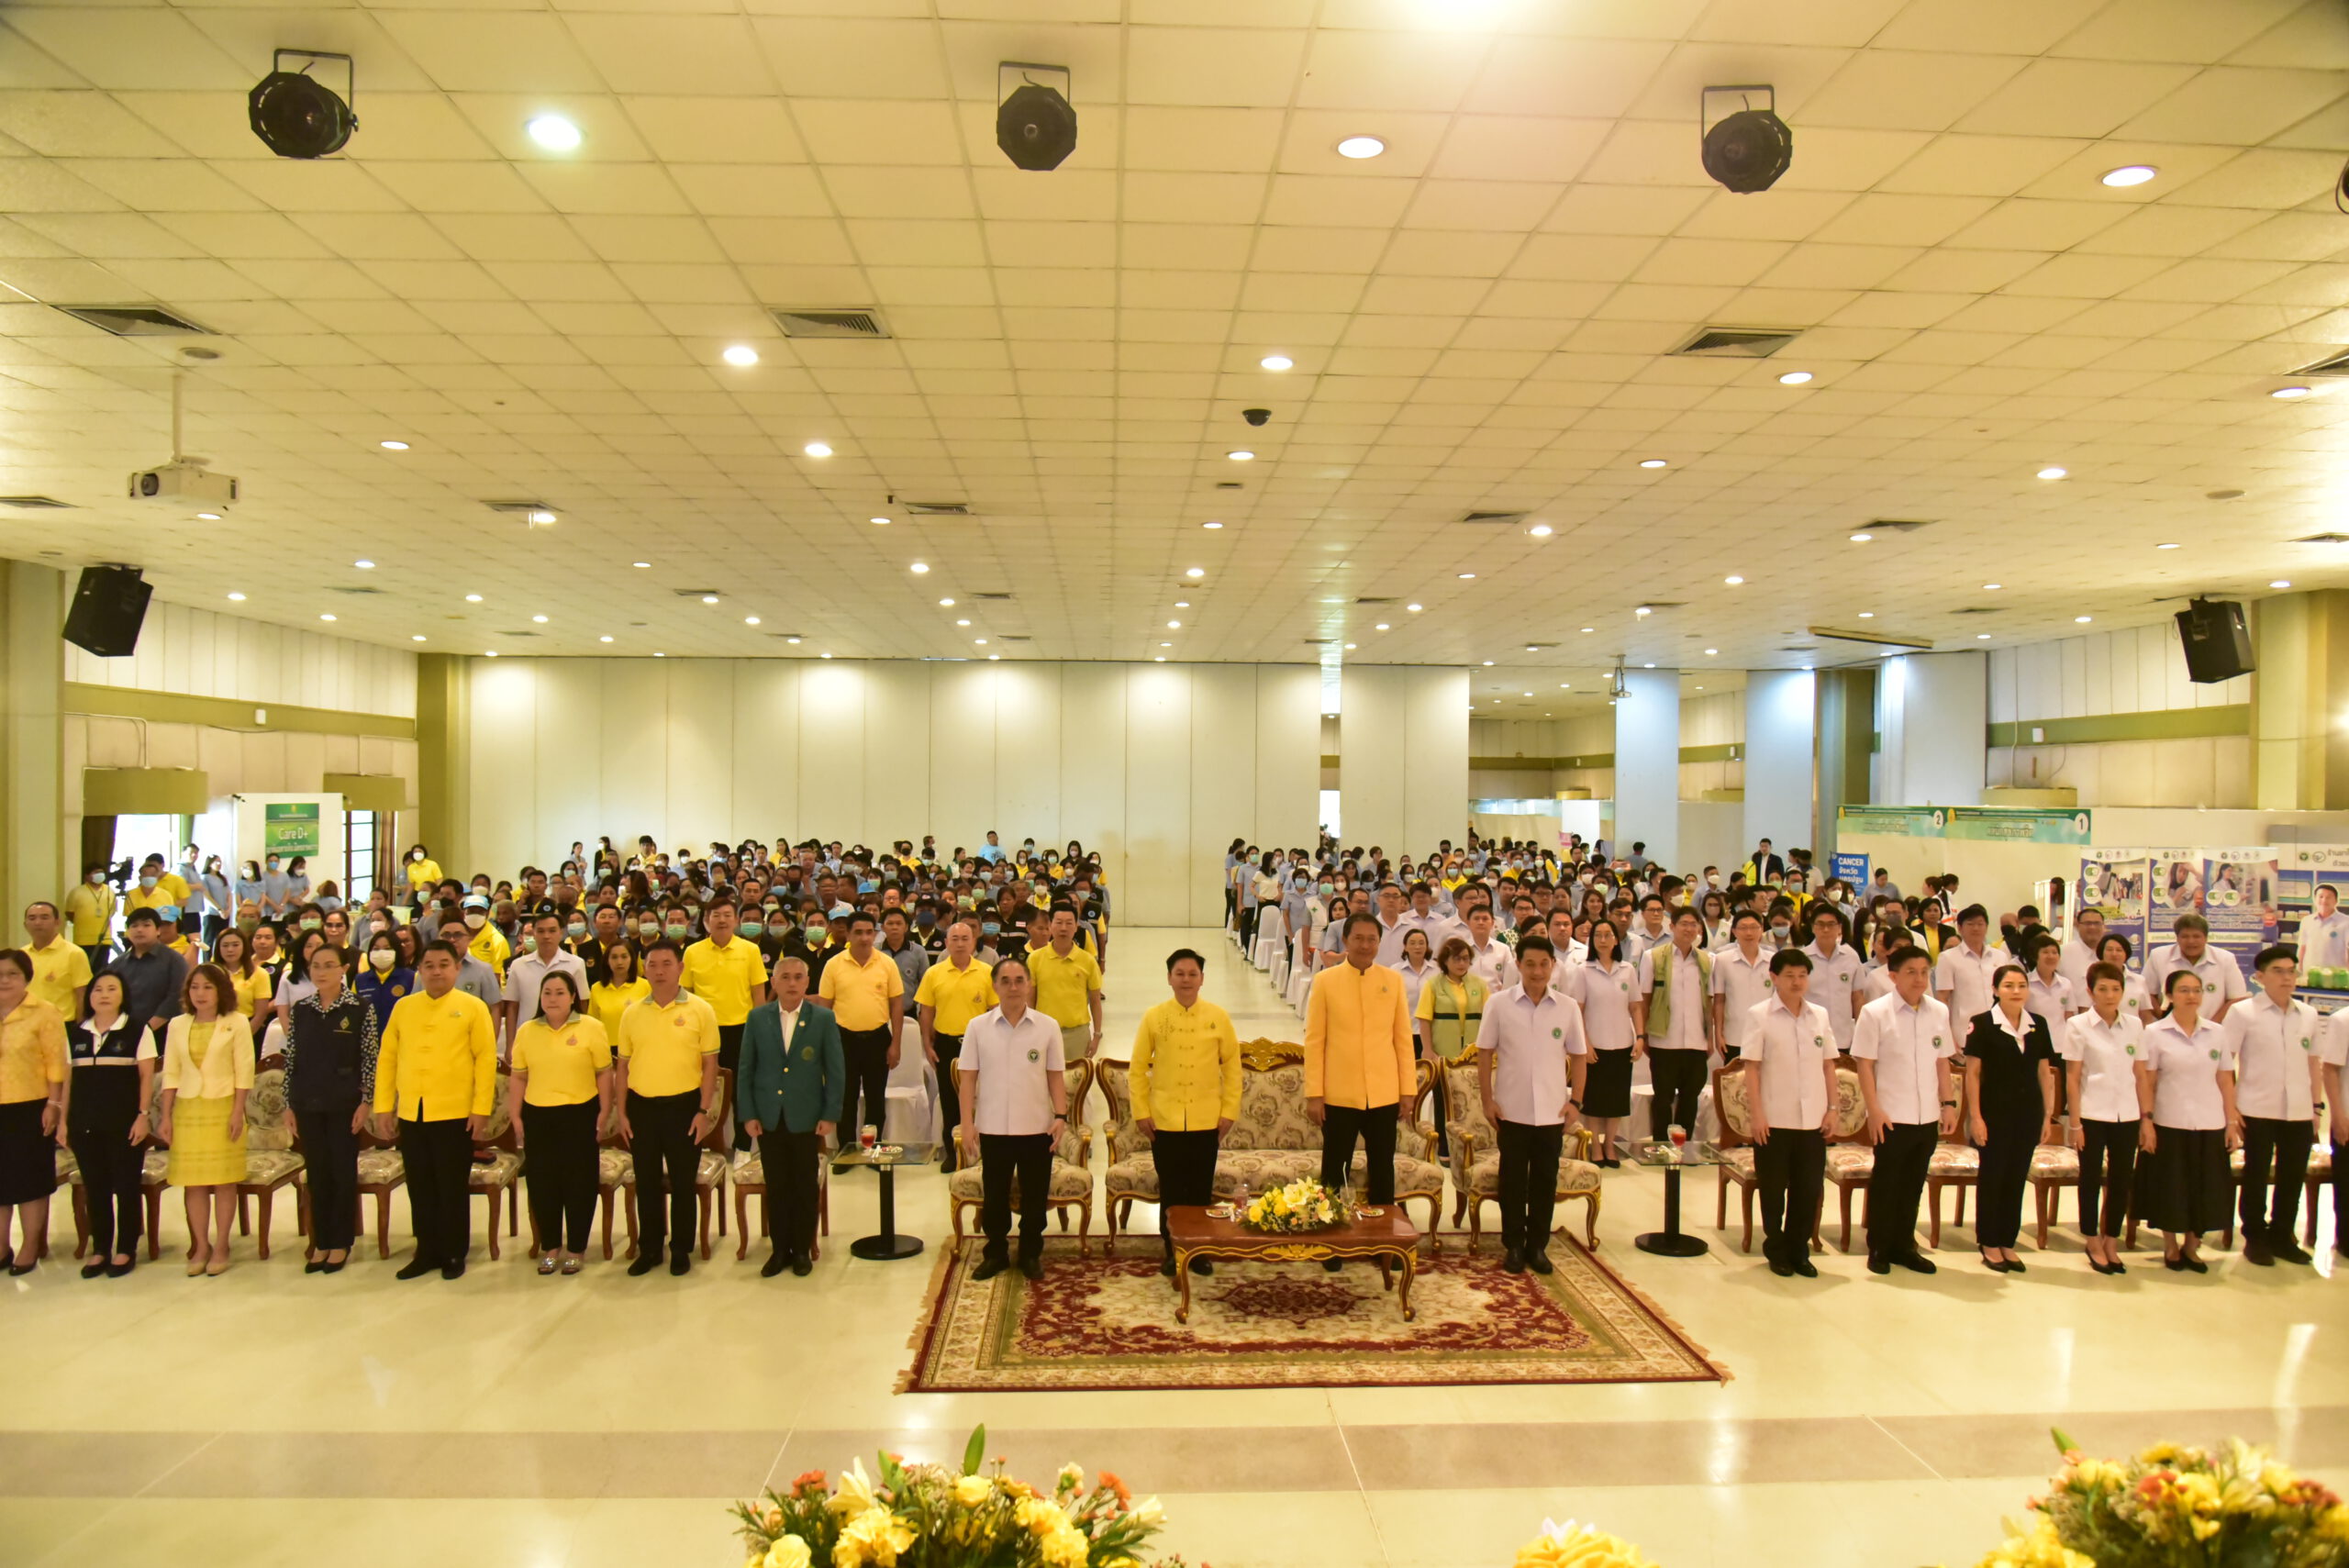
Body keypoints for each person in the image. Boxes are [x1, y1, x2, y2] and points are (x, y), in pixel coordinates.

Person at [373, 941, 497, 1281]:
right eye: (429, 965)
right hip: (413, 1111)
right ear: (420, 970)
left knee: (451, 1186)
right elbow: (388, 1058)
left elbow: (485, 1060)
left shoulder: (472, 1007)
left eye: (444, 964)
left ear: (456, 969)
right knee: (420, 1185)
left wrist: (480, 1109)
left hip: (455, 1112)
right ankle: (426, 1250)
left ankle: (454, 1251)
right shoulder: (404, 1007)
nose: (436, 971)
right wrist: (383, 1107)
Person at [1305, 913, 1417, 1271]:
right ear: (1346, 941)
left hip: (1383, 1092)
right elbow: (1315, 1040)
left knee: (1383, 1169)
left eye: (1372, 939)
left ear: (1379, 943)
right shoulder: (1326, 981)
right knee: (1334, 1169)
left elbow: (1402, 1039)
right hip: (1339, 1093)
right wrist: (1314, 1093)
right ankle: (1331, 1242)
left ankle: (1383, 1244)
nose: (1365, 945)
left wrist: (1408, 1091)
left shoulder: (1392, 981)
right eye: (1358, 938)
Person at [1475, 935, 1586, 1274]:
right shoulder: (1499, 1004)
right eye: (1530, 964)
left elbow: (1579, 1057)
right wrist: (1487, 1100)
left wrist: (1576, 1101)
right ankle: (1514, 1244)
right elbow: (1484, 1053)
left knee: (1544, 1181)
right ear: (1518, 965)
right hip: (1511, 1109)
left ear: (1553, 965)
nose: (1537, 971)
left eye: (1544, 964)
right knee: (1511, 1181)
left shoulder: (1567, 1007)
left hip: (1553, 1111)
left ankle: (1538, 1246)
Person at [1130, 946, 1242, 1278]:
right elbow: (1137, 1068)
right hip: (1163, 1120)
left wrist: (1229, 1111)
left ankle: (1199, 1252)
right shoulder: (1154, 1017)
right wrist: (1141, 1111)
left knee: (1199, 1190)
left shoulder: (1218, 1017)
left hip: (1206, 1119)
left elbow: (1232, 1068)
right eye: (1179, 973)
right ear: (1169, 978)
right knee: (1171, 1190)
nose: (1186, 979)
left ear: (1202, 979)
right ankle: (1172, 1251)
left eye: (1192, 974)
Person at [957, 955, 1069, 1282]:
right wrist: (967, 1124)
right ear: (994, 986)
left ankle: (1030, 1253)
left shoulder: (1047, 1026)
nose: (1013, 987)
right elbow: (967, 1079)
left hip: (1037, 1127)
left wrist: (1060, 1115)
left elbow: (1055, 1076)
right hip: (993, 1127)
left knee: (1035, 1196)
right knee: (994, 1195)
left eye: (1019, 980)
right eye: (1005, 981)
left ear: (1029, 985)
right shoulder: (978, 1027)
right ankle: (996, 1253)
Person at [614, 939, 721, 1276]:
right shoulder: (632, 1013)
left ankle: (681, 1249)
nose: (659, 971)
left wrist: (703, 1111)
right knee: (646, 1181)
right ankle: (650, 1248)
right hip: (642, 1107)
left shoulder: (700, 1010)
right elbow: (622, 1066)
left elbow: (710, 1066)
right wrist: (622, 1112)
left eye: (666, 964)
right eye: (652, 965)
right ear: (644, 969)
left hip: (684, 1107)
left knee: (682, 1181)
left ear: (680, 968)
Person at [1849, 946, 1957, 1274]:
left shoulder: (1938, 1011)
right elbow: (1864, 1065)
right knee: (1887, 1183)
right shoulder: (1875, 1013)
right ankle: (1879, 1247)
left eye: (1925, 972)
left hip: (1927, 1114)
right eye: (1911, 972)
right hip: (1891, 1114)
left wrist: (1948, 1104)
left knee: (1913, 1184)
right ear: (1893, 976)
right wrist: (1874, 1110)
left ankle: (1904, 1245)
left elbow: (1942, 1062)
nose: (1919, 979)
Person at [738, 955, 841, 1278]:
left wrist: (830, 1113)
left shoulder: (822, 1018)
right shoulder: (758, 1018)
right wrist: (748, 1113)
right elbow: (746, 1068)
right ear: (774, 983)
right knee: (777, 1185)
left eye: (798, 977)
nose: (792, 983)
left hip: (806, 1115)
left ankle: (802, 1249)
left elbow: (835, 1070)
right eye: (785, 977)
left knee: (804, 1185)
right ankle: (779, 1249)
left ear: (807, 982)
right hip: (769, 1115)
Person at [1740, 948, 1837, 1279]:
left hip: (1813, 1119)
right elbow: (1752, 1068)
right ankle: (1776, 1248)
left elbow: (1829, 1065)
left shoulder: (1819, 1015)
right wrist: (1757, 1115)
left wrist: (1833, 1108)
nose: (1797, 982)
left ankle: (1799, 1249)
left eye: (1802, 975)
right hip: (1774, 1118)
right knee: (1773, 1189)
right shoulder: (1759, 1015)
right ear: (1774, 978)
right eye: (1790, 976)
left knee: (1807, 1190)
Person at [280, 940, 376, 1274]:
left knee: (341, 1172)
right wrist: (289, 1104)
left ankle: (341, 1241)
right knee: (317, 1173)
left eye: (329, 965)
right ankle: (321, 1241)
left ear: (344, 969)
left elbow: (369, 1058)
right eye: (316, 966)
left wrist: (366, 1101)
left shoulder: (359, 1008)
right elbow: (292, 1058)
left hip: (345, 1103)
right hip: (307, 1101)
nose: (321, 972)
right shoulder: (302, 1009)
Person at [2224, 945, 2323, 1267]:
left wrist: (2316, 1107)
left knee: (2292, 1176)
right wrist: (2231, 1108)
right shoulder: (2243, 1013)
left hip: (2298, 1109)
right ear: (2260, 977)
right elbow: (2225, 1063)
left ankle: (2282, 1235)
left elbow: (2313, 1063)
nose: (2287, 978)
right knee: (2256, 1174)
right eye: (2278, 971)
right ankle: (2254, 1236)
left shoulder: (2307, 1014)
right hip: (2256, 1108)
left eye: (2291, 971)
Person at [509, 971, 612, 1276]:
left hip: (580, 1114)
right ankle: (551, 1246)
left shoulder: (591, 1027)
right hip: (538, 1115)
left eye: (560, 993)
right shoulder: (527, 1031)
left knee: (579, 1183)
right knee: (543, 1183)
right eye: (547, 993)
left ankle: (577, 1248)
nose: (552, 999)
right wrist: (515, 1115)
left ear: (572, 997)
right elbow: (519, 1077)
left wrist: (605, 1110)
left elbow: (604, 1073)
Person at [2138, 970, 2237, 1273]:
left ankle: (2192, 1246)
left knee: (2204, 1187)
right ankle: (2170, 1245)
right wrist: (2146, 1121)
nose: (2191, 996)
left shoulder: (2216, 1032)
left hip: (2210, 1121)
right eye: (2183, 990)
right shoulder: (2155, 1033)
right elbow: (2147, 1081)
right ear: (2169, 995)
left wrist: (2231, 1121)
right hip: (2169, 1120)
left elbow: (2225, 1079)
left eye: (2197, 990)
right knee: (2171, 1187)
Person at [160, 962, 255, 1276]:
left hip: (224, 1107)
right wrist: (165, 1116)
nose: (200, 993)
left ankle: (222, 1244)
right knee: (194, 1183)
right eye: (195, 987)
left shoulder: (237, 1022)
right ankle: (200, 1245)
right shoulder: (177, 1024)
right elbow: (171, 1072)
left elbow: (244, 1071)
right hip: (188, 1109)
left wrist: (238, 1111)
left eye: (208, 987)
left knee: (224, 1181)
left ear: (221, 991)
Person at [1962, 964, 2056, 1274]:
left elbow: (2044, 1072)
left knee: (2016, 1177)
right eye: (2008, 985)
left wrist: (2048, 1115)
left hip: (2028, 1112)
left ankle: (2007, 1240)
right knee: (1994, 1176)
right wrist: (1975, 1117)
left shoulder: (2037, 1024)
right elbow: (1973, 1074)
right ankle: (1989, 1241)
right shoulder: (1982, 1024)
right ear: (1995, 990)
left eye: (2021, 985)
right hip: (1994, 1113)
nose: (2016, 991)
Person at [63, 971, 151, 1277]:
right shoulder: (76, 1033)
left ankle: (126, 1249)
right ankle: (100, 1249)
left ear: (123, 995)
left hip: (125, 1124)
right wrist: (63, 1122)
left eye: (111, 989)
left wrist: (143, 1115)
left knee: (126, 1187)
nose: (104, 995)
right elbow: (67, 1081)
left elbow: (146, 1077)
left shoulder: (137, 1030)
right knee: (96, 1188)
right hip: (84, 1125)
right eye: (97, 989)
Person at [2063, 962, 2143, 1275]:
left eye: (2116, 989)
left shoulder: (2134, 1026)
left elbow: (2140, 1073)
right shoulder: (2078, 1025)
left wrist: (2146, 1117)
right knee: (2090, 1179)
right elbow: (2072, 1078)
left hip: (2128, 1114)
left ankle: (2112, 1239)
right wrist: (2075, 1123)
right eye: (2103, 989)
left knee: (2122, 1180)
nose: (2110, 995)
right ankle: (2092, 1238)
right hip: (2091, 1114)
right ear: (2090, 991)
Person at [0, 949, 68, 1275]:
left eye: (12, 973)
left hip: (32, 1106)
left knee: (29, 1180)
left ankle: (30, 1245)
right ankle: (1, 1246)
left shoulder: (44, 1012)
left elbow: (56, 1064)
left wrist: (54, 1104)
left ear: (26, 977)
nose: (4, 980)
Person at [678, 897, 766, 1148]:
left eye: (728, 915)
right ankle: (699, 1144)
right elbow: (685, 995)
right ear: (706, 921)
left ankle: (743, 1147)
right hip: (703, 1033)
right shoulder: (692, 952)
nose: (722, 920)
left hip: (741, 1030)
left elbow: (758, 994)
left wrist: (759, 1032)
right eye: (715, 915)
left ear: (736, 920)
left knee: (741, 1091)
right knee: (700, 1090)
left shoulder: (750, 950)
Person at [817, 911, 903, 1154]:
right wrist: (825, 1046)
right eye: (858, 932)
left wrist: (895, 1044)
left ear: (875, 935)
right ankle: (846, 1151)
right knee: (846, 1098)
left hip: (878, 1039)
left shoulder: (887, 964)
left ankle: (872, 1148)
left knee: (876, 1099)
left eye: (869, 932)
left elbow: (896, 1005)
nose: (864, 938)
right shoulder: (834, 965)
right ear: (848, 935)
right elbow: (824, 1008)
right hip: (843, 1040)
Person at [916, 917, 997, 1173]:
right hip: (946, 1045)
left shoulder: (987, 972)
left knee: (983, 1099)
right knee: (949, 1101)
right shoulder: (934, 973)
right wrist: (927, 1044)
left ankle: (985, 1150)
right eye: (955, 939)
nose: (960, 944)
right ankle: (953, 1153)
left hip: (980, 1045)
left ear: (974, 942)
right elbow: (926, 1012)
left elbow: (996, 1011)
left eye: (965, 939)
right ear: (946, 942)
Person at [1639, 906, 1715, 1140]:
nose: (1689, 929)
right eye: (1684, 923)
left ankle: (1684, 1147)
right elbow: (1645, 999)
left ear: (1699, 929)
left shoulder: (1707, 960)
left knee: (1690, 1099)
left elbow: (1709, 1002)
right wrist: (1643, 1035)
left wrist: (1710, 1038)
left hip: (1696, 1041)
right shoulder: (1653, 957)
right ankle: (1661, 1146)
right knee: (1663, 1099)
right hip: (1664, 1040)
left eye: (1693, 924)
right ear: (1671, 926)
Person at [1571, 917, 1638, 1167]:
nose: (1603, 939)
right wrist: (1585, 1044)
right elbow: (1577, 1011)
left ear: (1616, 940)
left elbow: (1635, 1007)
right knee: (1594, 1100)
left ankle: (1610, 1144)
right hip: (1594, 1045)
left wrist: (1640, 1037)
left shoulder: (1627, 970)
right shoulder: (1583, 971)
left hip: (1622, 1043)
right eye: (1597, 935)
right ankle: (1596, 1145)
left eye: (1607, 935)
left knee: (1616, 1100)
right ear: (1592, 940)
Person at [1028, 904, 1105, 1112]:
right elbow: (1030, 999)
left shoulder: (1087, 961)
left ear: (1076, 926)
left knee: (1078, 1088)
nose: (1063, 928)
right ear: (1051, 926)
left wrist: (1097, 1035)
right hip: (1044, 1033)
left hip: (1077, 1034)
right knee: (1043, 1086)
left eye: (1069, 923)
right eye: (1059, 922)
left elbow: (1095, 1001)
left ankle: (1079, 1129)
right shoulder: (1035, 959)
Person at [506, 912, 590, 1050]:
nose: (546, 936)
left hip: (567, 1039)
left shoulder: (576, 963)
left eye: (552, 931)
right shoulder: (518, 965)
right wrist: (510, 1045)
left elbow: (582, 1005)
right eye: (541, 931)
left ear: (561, 933)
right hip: (528, 1038)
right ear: (534, 934)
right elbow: (512, 1007)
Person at [2143, 914, 2246, 1023]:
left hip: (2214, 1026)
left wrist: (2211, 1026)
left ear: (2206, 938)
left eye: (2196, 936)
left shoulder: (2225, 959)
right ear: (2177, 938)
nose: (2191, 941)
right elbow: (2147, 994)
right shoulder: (2158, 956)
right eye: (2185, 936)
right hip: (2169, 1027)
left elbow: (2236, 998)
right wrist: (2166, 1019)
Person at [108, 908, 188, 1037]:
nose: (139, 930)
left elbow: (177, 997)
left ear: (158, 930)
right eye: (134, 926)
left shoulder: (174, 960)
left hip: (165, 1032)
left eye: (146, 925)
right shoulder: (117, 964)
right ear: (128, 932)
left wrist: (147, 1029)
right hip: (124, 1033)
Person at [1933, 904, 2009, 1025]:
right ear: (1960, 928)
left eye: (1980, 924)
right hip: (1964, 1026)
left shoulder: (2000, 956)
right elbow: (1943, 997)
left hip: (1999, 1024)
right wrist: (1945, 1029)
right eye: (1970, 924)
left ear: (1986, 927)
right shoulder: (1947, 958)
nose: (1976, 928)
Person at [1800, 906, 1861, 1054]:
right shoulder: (1802, 958)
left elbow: (1857, 997)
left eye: (1831, 924)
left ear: (1839, 928)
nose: (1826, 929)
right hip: (1810, 1034)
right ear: (1813, 927)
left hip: (1843, 1036)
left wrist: (1861, 1030)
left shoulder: (1851, 956)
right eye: (1820, 924)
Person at [587, 939, 650, 1043]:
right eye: (614, 957)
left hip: (637, 1046)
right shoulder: (596, 988)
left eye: (624, 957)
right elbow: (592, 1024)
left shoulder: (645, 986)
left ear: (631, 959)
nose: (619, 962)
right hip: (606, 1047)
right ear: (607, 961)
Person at [356, 930, 414, 1034]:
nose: (381, 953)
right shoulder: (360, 980)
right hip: (369, 1039)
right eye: (376, 949)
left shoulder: (411, 978)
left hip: (400, 1037)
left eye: (387, 949)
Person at [64, 864, 116, 971]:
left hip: (104, 939)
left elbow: (112, 911)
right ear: (87, 876)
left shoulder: (109, 891)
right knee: (84, 969)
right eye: (95, 872)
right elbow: (70, 913)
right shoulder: (77, 892)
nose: (99, 875)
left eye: (101, 872)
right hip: (83, 939)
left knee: (101, 970)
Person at [2300, 883, 2349, 972]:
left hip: (2335, 974)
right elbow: (2302, 948)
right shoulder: (2306, 921)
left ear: (2336, 901)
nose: (2324, 900)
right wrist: (2298, 969)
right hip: (2310, 973)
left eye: (2328, 897)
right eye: (2321, 896)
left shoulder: (2346, 922)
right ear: (2314, 899)